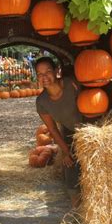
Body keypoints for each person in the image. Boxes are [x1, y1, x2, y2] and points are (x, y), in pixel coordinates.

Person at [35, 57, 83, 208]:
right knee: (69, 164)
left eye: (48, 71)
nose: (44, 77)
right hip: (70, 131)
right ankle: (76, 205)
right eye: (40, 74)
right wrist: (66, 151)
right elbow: (53, 129)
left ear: (56, 72)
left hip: (91, 128)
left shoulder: (71, 84)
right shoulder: (41, 102)